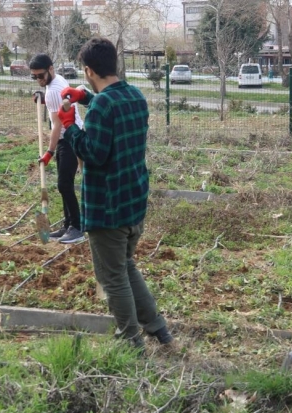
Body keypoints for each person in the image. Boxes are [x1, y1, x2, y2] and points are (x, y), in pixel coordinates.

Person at [56, 37, 175, 352]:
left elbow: (94, 154)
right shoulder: (134, 96)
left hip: (108, 207)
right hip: (133, 202)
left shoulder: (103, 106)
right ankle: (158, 330)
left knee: (112, 278)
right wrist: (85, 97)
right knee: (126, 266)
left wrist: (70, 127)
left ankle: (132, 341)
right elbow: (108, 108)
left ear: (88, 70)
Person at [29, 53, 85, 244]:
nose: (38, 80)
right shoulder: (58, 81)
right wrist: (43, 98)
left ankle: (77, 227)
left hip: (68, 139)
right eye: (34, 77)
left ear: (50, 69)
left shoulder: (52, 90)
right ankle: (68, 225)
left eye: (41, 76)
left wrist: (49, 152)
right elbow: (57, 101)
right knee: (64, 184)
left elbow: (57, 126)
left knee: (64, 184)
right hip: (73, 134)